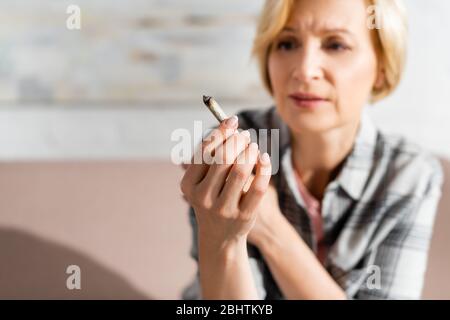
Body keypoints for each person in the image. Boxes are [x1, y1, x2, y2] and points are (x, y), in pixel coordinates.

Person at [180, 0, 444, 299]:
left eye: (336, 45)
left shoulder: (409, 176)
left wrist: (269, 227)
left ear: (381, 68)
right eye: (287, 43)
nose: (304, 70)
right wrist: (222, 236)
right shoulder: (233, 152)